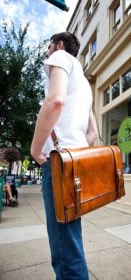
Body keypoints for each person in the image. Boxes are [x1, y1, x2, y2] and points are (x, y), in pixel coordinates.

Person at [31, 32, 98, 280]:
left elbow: (55, 101)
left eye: (48, 47)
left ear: (59, 45)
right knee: (71, 239)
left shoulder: (60, 57)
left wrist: (36, 150)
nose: (47, 52)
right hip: (77, 161)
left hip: (59, 163)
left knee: (63, 247)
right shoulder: (83, 83)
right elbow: (93, 133)